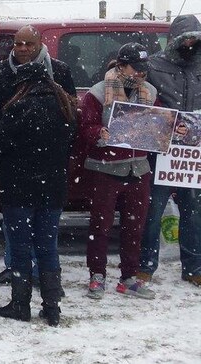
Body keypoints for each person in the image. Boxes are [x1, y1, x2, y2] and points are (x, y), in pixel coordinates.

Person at [0, 25, 76, 285]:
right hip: (13, 156)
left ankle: (39, 275)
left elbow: (71, 113)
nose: (23, 49)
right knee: (15, 221)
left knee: (44, 229)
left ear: (39, 44)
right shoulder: (0, 71)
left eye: (28, 44)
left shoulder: (59, 71)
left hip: (48, 159)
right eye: (18, 44)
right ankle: (16, 267)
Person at [79, 43, 156, 299]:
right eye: (137, 68)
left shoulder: (152, 93)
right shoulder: (98, 93)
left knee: (135, 226)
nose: (141, 74)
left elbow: (160, 124)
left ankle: (129, 277)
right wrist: (98, 133)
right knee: (100, 224)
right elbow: (85, 127)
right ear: (121, 65)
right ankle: (97, 275)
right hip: (106, 168)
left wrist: (168, 132)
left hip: (139, 168)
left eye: (144, 69)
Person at [139, 15, 201, 287]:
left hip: (192, 154)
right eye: (184, 39)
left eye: (194, 39)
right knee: (152, 210)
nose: (189, 43)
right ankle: (145, 265)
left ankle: (193, 267)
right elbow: (137, 94)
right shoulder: (154, 65)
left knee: (193, 211)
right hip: (160, 151)